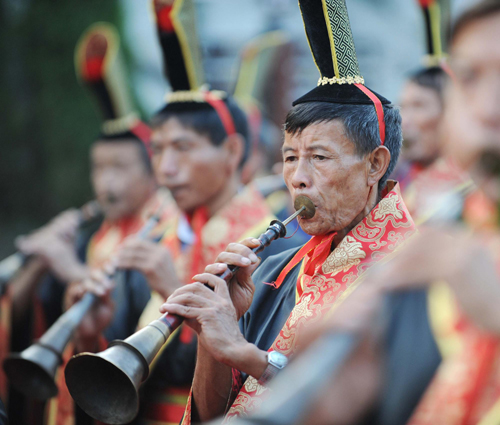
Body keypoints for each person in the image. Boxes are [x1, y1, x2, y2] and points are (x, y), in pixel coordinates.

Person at [158, 0, 415, 423]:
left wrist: (247, 355)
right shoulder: (270, 270)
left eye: (319, 157)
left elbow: (381, 401)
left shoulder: (409, 272)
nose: (297, 177)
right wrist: (215, 331)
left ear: (375, 164)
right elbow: (209, 416)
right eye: (289, 158)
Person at [67, 2, 300, 424]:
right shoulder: (155, 239)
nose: (166, 169)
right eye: (157, 151)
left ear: (231, 152)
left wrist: (171, 284)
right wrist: (92, 328)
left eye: (183, 148)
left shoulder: (275, 245)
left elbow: (270, 362)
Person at [26, 23, 159, 425]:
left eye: (119, 168)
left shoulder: (159, 230)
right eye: (99, 169)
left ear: (152, 173)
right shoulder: (95, 235)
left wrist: (69, 268)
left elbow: (132, 327)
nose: (106, 183)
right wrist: (37, 271)